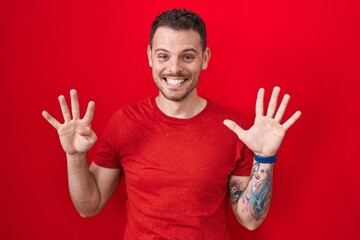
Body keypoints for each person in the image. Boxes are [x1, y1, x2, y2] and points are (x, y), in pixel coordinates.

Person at [42, 8, 301, 239]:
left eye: (187, 56)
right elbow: (89, 206)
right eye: (163, 56)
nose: (174, 68)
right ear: (150, 56)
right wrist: (75, 156)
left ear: (205, 58)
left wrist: (264, 159)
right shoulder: (125, 122)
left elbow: (250, 221)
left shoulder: (234, 128)